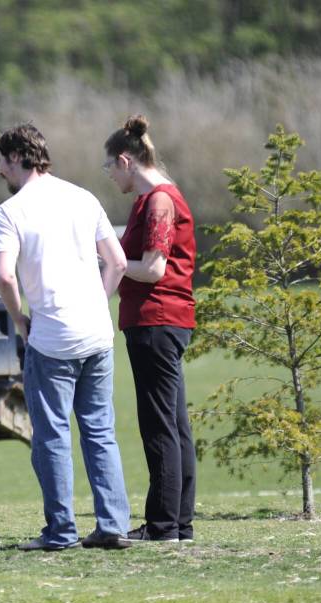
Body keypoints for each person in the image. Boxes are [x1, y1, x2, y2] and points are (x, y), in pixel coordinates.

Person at [0, 123, 131, 551]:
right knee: (100, 431)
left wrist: (19, 321)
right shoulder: (84, 198)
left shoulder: (10, 212)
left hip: (51, 338)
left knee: (52, 436)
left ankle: (61, 531)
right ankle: (113, 525)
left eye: (1, 161)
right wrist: (97, 302)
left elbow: (4, 277)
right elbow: (118, 262)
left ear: (17, 158)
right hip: (97, 334)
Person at [104, 115, 197, 542]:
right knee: (174, 424)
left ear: (125, 161)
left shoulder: (159, 200)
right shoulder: (155, 199)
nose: (110, 175)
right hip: (165, 321)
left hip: (155, 321)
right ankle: (178, 523)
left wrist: (110, 262)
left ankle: (163, 526)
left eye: (110, 166)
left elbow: (154, 268)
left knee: (159, 425)